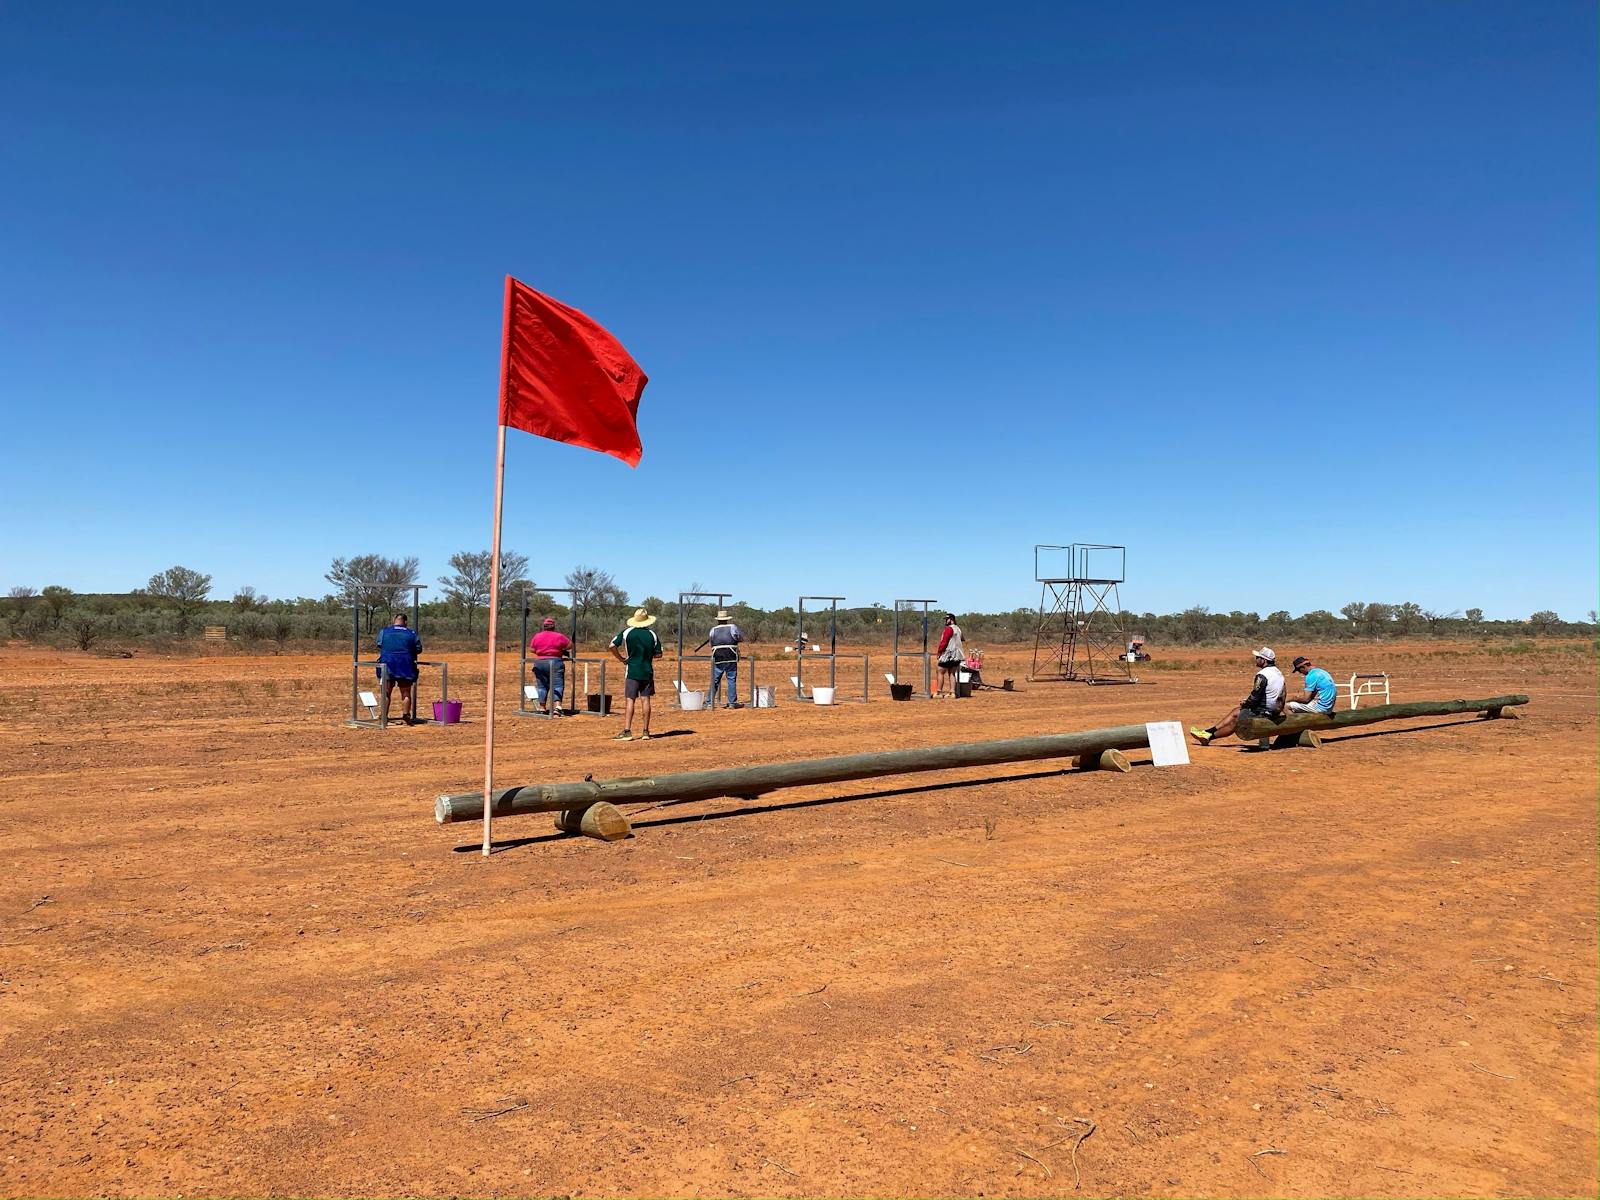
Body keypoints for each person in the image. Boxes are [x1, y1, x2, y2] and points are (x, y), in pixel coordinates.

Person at [1190, 647, 1285, 745]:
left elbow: (1255, 697)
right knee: (1236, 711)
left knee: (1236, 719)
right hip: (1273, 711)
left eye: (1257, 657)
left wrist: (1246, 703)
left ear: (1264, 660)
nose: (1256, 659)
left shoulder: (1263, 674)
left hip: (1263, 712)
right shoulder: (1278, 673)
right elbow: (1283, 693)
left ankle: (1208, 735)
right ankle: (1208, 733)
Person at [608, 607, 662, 741]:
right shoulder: (652, 634)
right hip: (647, 671)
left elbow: (612, 645)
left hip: (632, 671)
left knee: (630, 699)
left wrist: (621, 658)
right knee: (646, 699)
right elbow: (659, 654)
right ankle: (646, 731)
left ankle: (627, 731)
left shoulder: (627, 632)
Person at [375, 612, 422, 726]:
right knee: (406, 692)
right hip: (405, 665)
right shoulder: (411, 633)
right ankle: (406, 716)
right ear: (405, 622)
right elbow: (418, 649)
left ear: (394, 620)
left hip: (387, 665)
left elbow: (379, 645)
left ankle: (384, 716)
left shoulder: (384, 632)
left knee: (386, 692)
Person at [695, 609, 745, 709]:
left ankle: (710, 702)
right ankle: (732, 703)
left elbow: (711, 643)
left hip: (718, 658)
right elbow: (740, 638)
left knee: (715, 680)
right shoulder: (732, 627)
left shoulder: (713, 630)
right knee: (731, 679)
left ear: (718, 620)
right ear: (727, 619)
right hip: (730, 657)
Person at [529, 616, 572, 716]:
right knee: (558, 684)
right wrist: (560, 649)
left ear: (544, 626)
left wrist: (541, 651)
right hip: (555, 662)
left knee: (542, 686)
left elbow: (531, 649)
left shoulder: (537, 636)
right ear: (553, 626)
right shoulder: (559, 636)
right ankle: (557, 707)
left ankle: (542, 708)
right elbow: (570, 645)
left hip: (540, 662)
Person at [935, 613, 964, 698]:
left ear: (951, 619)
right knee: (952, 673)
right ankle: (952, 693)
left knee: (940, 671)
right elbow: (962, 639)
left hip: (949, 653)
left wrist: (939, 652)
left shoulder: (949, 629)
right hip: (957, 654)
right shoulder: (958, 629)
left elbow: (944, 642)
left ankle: (939, 692)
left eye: (947, 619)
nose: (945, 621)